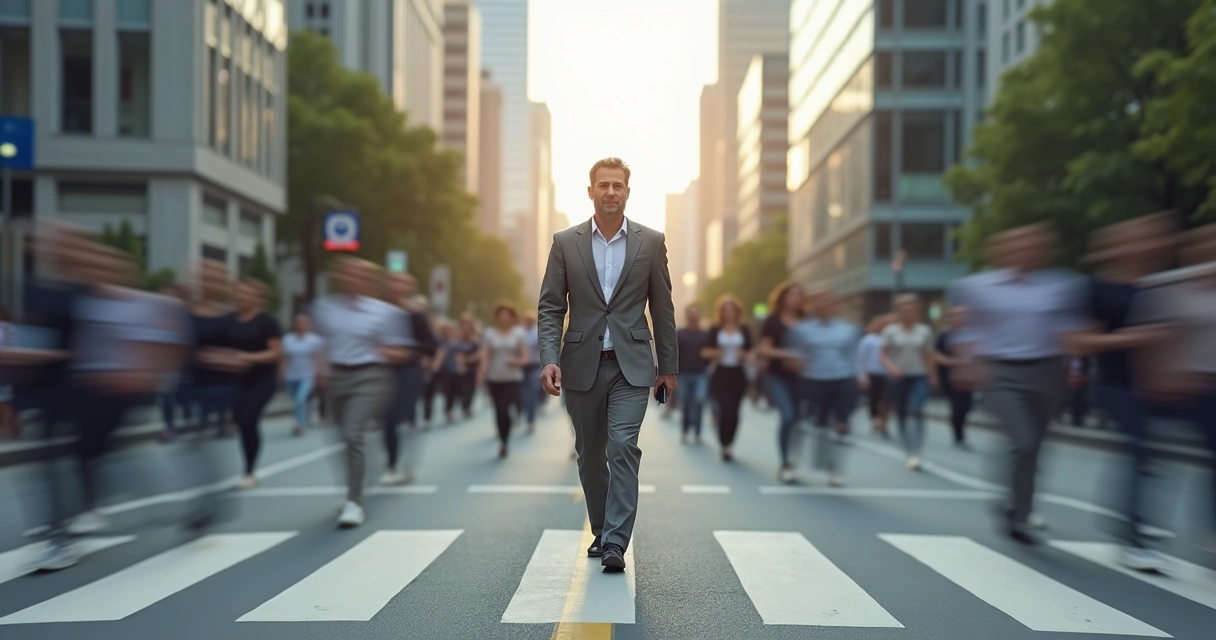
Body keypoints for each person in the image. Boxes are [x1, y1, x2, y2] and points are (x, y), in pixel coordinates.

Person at [537, 157, 678, 573]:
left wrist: (667, 366)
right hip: (581, 363)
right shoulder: (565, 242)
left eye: (618, 185)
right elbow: (550, 307)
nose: (611, 192)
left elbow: (663, 308)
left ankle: (616, 542)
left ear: (628, 192)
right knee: (589, 455)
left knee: (621, 446)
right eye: (604, 185)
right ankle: (602, 529)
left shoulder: (650, 242)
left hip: (632, 366)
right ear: (591, 191)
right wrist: (548, 358)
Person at [309, 257, 412, 528]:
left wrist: (384, 349)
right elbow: (319, 344)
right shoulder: (324, 308)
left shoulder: (386, 313)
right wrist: (318, 368)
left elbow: (402, 352)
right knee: (343, 436)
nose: (353, 279)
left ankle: (354, 502)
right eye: (347, 274)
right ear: (339, 277)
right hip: (337, 377)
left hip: (371, 375)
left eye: (359, 275)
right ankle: (355, 484)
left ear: (369, 281)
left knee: (353, 432)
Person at [228, 278, 283, 490]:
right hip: (235, 380)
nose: (243, 297)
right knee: (242, 422)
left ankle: (249, 471)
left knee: (248, 419)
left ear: (258, 297)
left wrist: (247, 358)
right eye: (239, 292)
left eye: (248, 293)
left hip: (263, 379)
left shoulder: (267, 321)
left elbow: (275, 353)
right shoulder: (229, 320)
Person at [880, 294, 938, 471]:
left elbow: (928, 355)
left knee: (917, 411)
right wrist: (892, 368)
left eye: (911, 308)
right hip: (898, 377)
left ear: (916, 310)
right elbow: (883, 355)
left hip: (918, 375)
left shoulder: (925, 331)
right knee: (902, 414)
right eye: (904, 308)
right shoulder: (890, 331)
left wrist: (932, 375)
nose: (908, 311)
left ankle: (917, 453)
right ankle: (908, 450)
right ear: (898, 311)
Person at [702, 295, 752, 462]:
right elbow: (704, 352)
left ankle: (730, 444)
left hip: (738, 373)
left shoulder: (744, 329)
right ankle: (723, 444)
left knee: (735, 412)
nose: (729, 313)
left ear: (737, 312)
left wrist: (745, 354)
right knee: (726, 410)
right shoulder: (715, 329)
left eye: (732, 309)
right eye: (726, 309)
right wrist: (716, 353)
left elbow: (752, 351)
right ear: (721, 312)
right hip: (720, 373)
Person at [476, 301, 529, 457]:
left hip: (512, 377)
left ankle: (505, 441)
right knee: (498, 410)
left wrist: (516, 361)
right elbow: (485, 357)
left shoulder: (518, 334)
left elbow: (525, 357)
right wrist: (480, 376)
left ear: (512, 318)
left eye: (508, 316)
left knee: (505, 408)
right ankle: (502, 440)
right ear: (497, 318)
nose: (504, 319)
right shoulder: (489, 334)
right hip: (494, 377)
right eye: (501, 316)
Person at [281, 313, 325, 435]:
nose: (301, 325)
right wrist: (281, 374)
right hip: (291, 375)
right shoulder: (288, 339)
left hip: (307, 375)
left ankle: (299, 424)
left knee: (300, 398)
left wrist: (318, 375)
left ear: (308, 325)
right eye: (298, 323)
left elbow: (318, 359)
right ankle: (307, 411)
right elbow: (284, 358)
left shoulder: (315, 340)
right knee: (296, 399)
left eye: (303, 323)